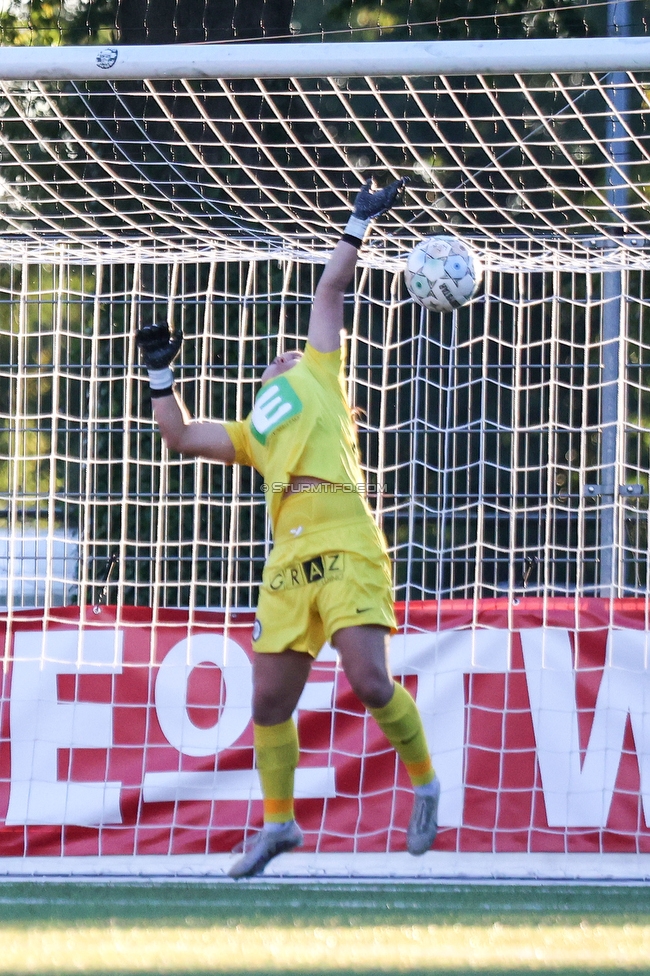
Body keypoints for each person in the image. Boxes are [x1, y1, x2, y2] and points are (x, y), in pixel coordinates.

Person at [136, 180, 440, 878]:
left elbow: (329, 292)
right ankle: (279, 826)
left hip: (343, 537)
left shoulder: (322, 378)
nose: (282, 355)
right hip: (288, 560)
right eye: (276, 359)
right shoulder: (254, 430)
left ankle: (424, 780)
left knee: (368, 680)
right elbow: (178, 434)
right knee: (269, 700)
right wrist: (160, 373)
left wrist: (356, 222)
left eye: (291, 354)